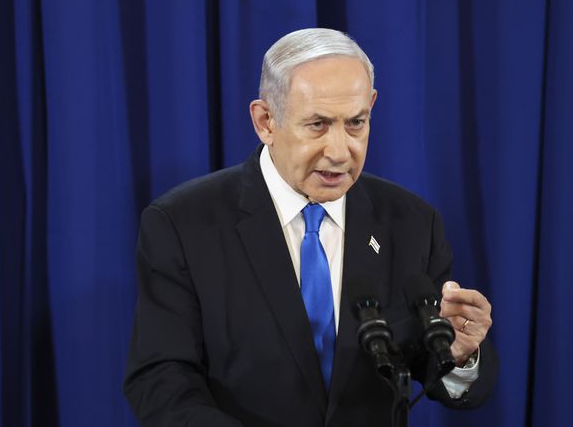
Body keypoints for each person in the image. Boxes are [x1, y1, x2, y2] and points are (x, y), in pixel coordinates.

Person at [123, 28, 497, 426]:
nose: (339, 151)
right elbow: (161, 382)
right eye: (318, 124)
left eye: (356, 123)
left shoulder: (412, 223)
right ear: (266, 121)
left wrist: (459, 355)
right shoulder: (183, 223)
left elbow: (438, 372)